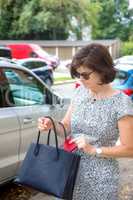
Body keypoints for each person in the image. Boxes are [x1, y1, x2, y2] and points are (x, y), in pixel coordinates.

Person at [38, 43, 133, 200]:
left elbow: (130, 149)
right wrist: (52, 124)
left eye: (85, 75)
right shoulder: (79, 93)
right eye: (78, 74)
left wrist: (95, 150)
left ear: (102, 71)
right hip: (68, 173)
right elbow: (66, 128)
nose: (81, 79)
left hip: (101, 181)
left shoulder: (121, 103)